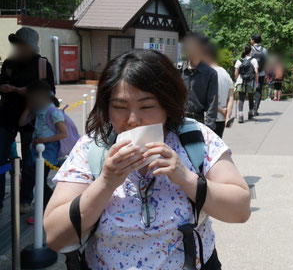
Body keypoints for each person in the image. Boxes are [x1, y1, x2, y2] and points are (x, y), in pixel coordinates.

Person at [44, 49, 251, 269]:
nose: (133, 120)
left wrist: (185, 178)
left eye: (147, 106)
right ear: (107, 107)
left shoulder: (196, 138)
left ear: (167, 105)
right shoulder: (92, 147)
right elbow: (55, 236)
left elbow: (240, 210)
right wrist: (106, 182)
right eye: (120, 107)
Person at [0, 26, 55, 214]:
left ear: (31, 46)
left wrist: (28, 91)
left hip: (32, 119)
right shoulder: (8, 63)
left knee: (30, 161)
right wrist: (3, 87)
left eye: (22, 44)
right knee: (1, 160)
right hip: (6, 117)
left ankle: (25, 199)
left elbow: (50, 93)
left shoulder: (42, 64)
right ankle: (0, 203)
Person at [19, 80, 67, 210]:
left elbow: (63, 134)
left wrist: (44, 141)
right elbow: (22, 123)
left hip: (48, 149)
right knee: (34, 176)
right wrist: (28, 108)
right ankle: (48, 204)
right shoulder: (38, 109)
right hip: (36, 148)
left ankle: (50, 204)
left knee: (39, 178)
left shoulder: (53, 112)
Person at [179, 33, 219, 131]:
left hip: (198, 121)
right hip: (178, 120)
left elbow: (212, 103)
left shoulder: (210, 74)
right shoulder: (178, 70)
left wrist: (208, 128)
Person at [205, 42, 233, 137]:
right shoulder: (226, 74)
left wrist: (221, 110)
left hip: (208, 118)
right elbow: (231, 97)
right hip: (221, 119)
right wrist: (227, 116)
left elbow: (206, 98)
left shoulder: (206, 73)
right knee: (217, 147)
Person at [231, 45, 259, 124]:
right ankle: (250, 113)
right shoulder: (254, 60)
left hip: (241, 81)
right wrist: (257, 82)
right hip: (250, 82)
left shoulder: (239, 60)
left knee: (241, 98)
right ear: (250, 51)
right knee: (251, 97)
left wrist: (236, 81)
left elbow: (236, 73)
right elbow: (256, 72)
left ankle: (240, 116)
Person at [250, 34, 268, 115]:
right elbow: (266, 62)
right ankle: (255, 109)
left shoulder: (250, 49)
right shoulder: (264, 50)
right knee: (259, 91)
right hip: (261, 73)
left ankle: (251, 109)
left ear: (253, 40)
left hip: (251, 73)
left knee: (250, 90)